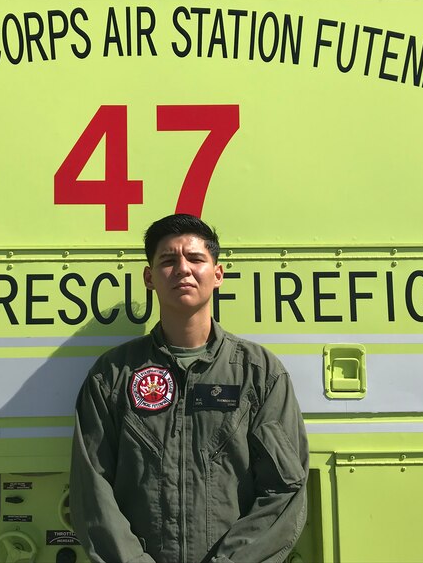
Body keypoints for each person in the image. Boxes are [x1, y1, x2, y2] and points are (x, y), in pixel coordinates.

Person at [70, 214, 309, 563]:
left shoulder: (258, 373)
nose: (183, 268)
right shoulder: (112, 375)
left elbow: (284, 488)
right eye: (168, 260)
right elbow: (92, 489)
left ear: (218, 274)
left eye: (196, 259)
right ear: (149, 278)